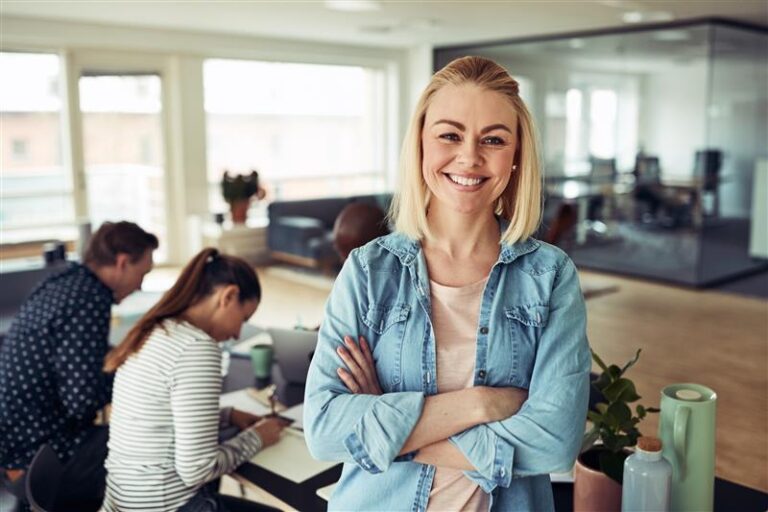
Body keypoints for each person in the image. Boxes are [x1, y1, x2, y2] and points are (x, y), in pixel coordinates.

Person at [304, 56, 591, 511]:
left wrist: (389, 426)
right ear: (420, 143)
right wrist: (480, 404)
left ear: (516, 156)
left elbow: (554, 441)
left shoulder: (550, 276)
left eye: (493, 139)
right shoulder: (368, 271)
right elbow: (324, 430)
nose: (469, 157)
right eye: (449, 135)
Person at [102, 248, 285, 512]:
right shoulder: (197, 348)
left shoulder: (156, 329)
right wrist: (259, 436)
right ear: (229, 296)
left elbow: (162, 419)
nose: (236, 334)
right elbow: (197, 470)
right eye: (243, 319)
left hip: (125, 501)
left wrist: (228, 415)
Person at [0, 221, 158, 508]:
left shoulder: (65, 280)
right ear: (122, 262)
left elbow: (69, 363)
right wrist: (135, 374)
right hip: (39, 456)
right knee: (160, 444)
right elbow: (81, 402)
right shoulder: (90, 299)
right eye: (142, 273)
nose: (140, 285)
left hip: (14, 443)